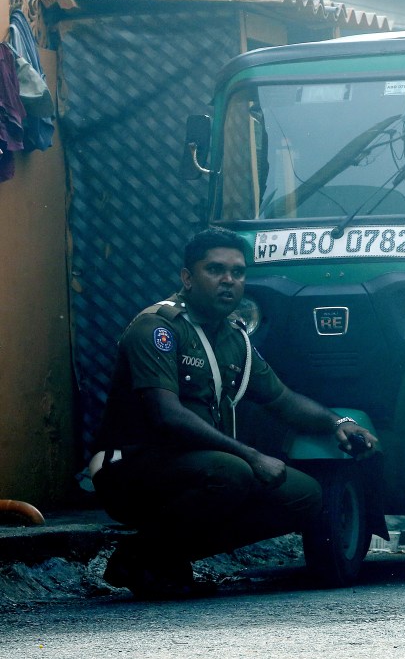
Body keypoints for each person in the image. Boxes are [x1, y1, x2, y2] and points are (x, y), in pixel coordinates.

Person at [90, 226, 378, 599]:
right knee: (233, 473)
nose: (228, 281)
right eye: (215, 270)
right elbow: (167, 415)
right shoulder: (158, 328)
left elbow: (282, 399)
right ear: (187, 278)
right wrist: (252, 455)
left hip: (197, 467)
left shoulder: (233, 338)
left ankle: (159, 556)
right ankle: (140, 557)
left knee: (304, 495)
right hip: (130, 469)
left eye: (238, 272)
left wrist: (337, 423)